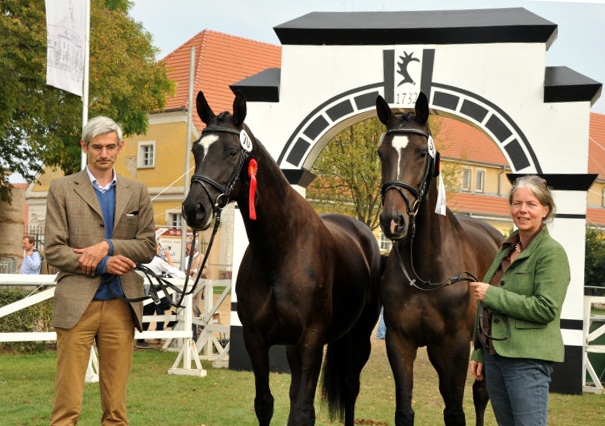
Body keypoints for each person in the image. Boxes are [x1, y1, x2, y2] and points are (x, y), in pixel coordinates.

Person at [45, 116, 156, 425]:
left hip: (122, 304)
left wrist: (108, 246)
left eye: (110, 147)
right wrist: (104, 263)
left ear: (120, 147)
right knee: (67, 409)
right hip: (77, 305)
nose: (104, 154)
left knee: (116, 412)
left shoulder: (138, 190)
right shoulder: (62, 188)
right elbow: (54, 250)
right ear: (85, 147)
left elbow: (148, 246)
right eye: (97, 147)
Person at [469, 175, 570, 426]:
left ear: (545, 210)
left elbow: (546, 308)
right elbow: (486, 306)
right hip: (495, 357)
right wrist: (480, 350)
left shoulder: (551, 253)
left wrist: (493, 295)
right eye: (517, 203)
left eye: (531, 204)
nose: (522, 210)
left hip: (527, 361)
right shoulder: (507, 249)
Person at [137, 243, 184, 348]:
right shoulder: (157, 261)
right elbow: (171, 270)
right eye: (158, 248)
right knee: (155, 312)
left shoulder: (140, 259)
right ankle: (149, 337)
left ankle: (140, 338)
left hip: (141, 289)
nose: (159, 250)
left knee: (145, 313)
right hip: (154, 290)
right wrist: (183, 277)